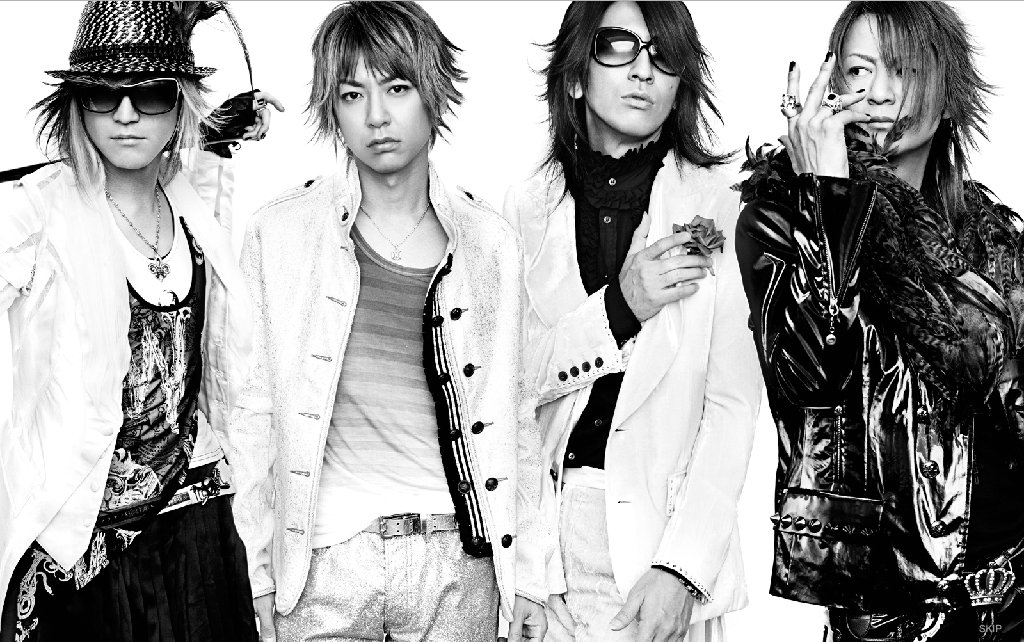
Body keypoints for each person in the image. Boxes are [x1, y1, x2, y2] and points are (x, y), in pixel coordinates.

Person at [225, 2, 547, 641]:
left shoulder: (489, 245)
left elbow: (517, 415)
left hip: (457, 561)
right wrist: (255, 572)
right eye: (352, 95)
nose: (376, 116)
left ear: (432, 93)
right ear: (332, 109)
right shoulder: (281, 234)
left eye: (397, 88)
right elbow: (251, 414)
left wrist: (531, 577)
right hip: (323, 564)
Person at [735, 2, 1024, 640]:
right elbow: (810, 376)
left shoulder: (991, 238)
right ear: (830, 86)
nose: (884, 93)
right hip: (889, 620)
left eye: (906, 69)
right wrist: (827, 194)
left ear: (949, 92)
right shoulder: (782, 217)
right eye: (861, 70)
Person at [0, 1, 283, 641]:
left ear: (180, 104)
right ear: (77, 106)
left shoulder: (197, 210)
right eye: (104, 94)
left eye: (150, 93)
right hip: (82, 556)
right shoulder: (36, 213)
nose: (126, 114)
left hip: (198, 542)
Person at [503, 2, 763, 641]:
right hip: (543, 560)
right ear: (574, 75)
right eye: (618, 45)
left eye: (663, 54)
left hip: (657, 553)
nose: (643, 70)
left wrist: (681, 570)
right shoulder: (524, 207)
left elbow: (732, 406)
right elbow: (507, 386)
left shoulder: (723, 205)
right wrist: (619, 309)